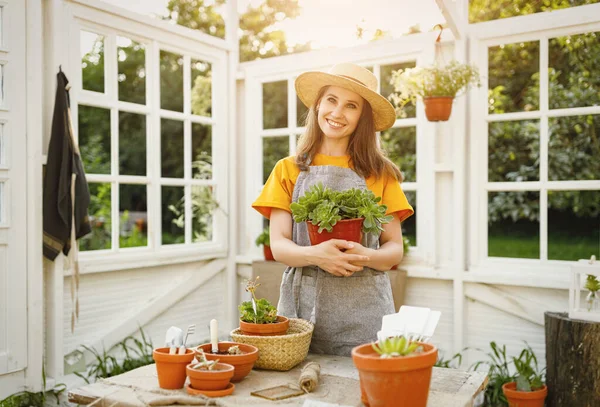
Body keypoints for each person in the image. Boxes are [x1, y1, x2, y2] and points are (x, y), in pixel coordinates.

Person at [252, 63, 414, 356]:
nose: (337, 113)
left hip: (365, 311)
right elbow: (278, 245)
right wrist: (317, 255)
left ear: (362, 117)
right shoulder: (287, 169)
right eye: (331, 100)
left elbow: (394, 250)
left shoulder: (381, 173)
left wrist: (363, 257)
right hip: (301, 308)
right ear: (317, 106)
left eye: (351, 105)